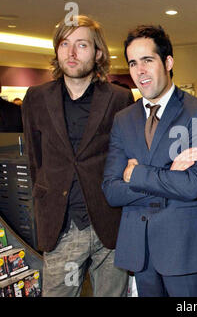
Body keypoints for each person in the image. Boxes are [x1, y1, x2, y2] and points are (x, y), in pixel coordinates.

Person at [21, 15, 133, 297]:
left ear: (97, 53)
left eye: (81, 45)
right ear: (57, 50)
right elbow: (36, 161)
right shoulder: (36, 98)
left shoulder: (119, 98)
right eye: (65, 44)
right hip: (62, 226)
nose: (71, 53)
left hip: (110, 224)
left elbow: (126, 156)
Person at [102, 25, 197, 297]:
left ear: (168, 62)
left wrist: (137, 174)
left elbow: (192, 186)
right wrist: (168, 174)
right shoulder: (123, 119)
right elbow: (111, 190)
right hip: (140, 251)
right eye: (132, 63)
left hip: (185, 250)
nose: (139, 71)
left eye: (147, 60)